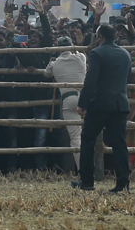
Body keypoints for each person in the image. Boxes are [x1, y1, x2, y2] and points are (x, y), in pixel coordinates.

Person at [72, 24, 132, 193]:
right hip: (120, 103)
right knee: (119, 144)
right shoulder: (125, 54)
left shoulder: (97, 53)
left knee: (88, 139)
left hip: (100, 103)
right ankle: (123, 183)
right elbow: (127, 77)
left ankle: (87, 181)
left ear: (100, 37)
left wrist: (83, 103)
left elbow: (90, 80)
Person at [44, 36, 87, 170]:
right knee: (90, 135)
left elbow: (46, 74)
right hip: (86, 98)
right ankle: (93, 168)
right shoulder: (80, 58)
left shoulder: (55, 63)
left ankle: (82, 170)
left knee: (75, 137)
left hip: (68, 98)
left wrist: (51, 61)